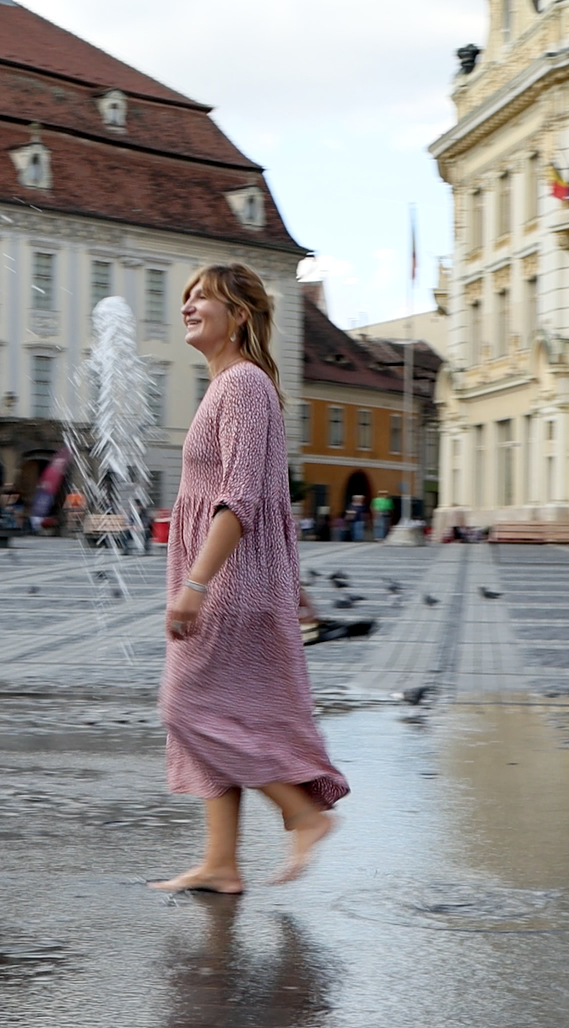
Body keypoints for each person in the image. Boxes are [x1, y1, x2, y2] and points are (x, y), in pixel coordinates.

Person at [153, 263, 349, 894]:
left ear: (239, 315)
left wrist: (198, 583)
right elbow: (265, 494)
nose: (188, 306)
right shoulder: (233, 387)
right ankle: (220, 862)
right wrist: (289, 584)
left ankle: (301, 813)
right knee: (229, 709)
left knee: (186, 704)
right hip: (239, 576)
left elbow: (239, 498)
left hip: (227, 580)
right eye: (186, 296)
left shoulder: (241, 385)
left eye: (202, 297)